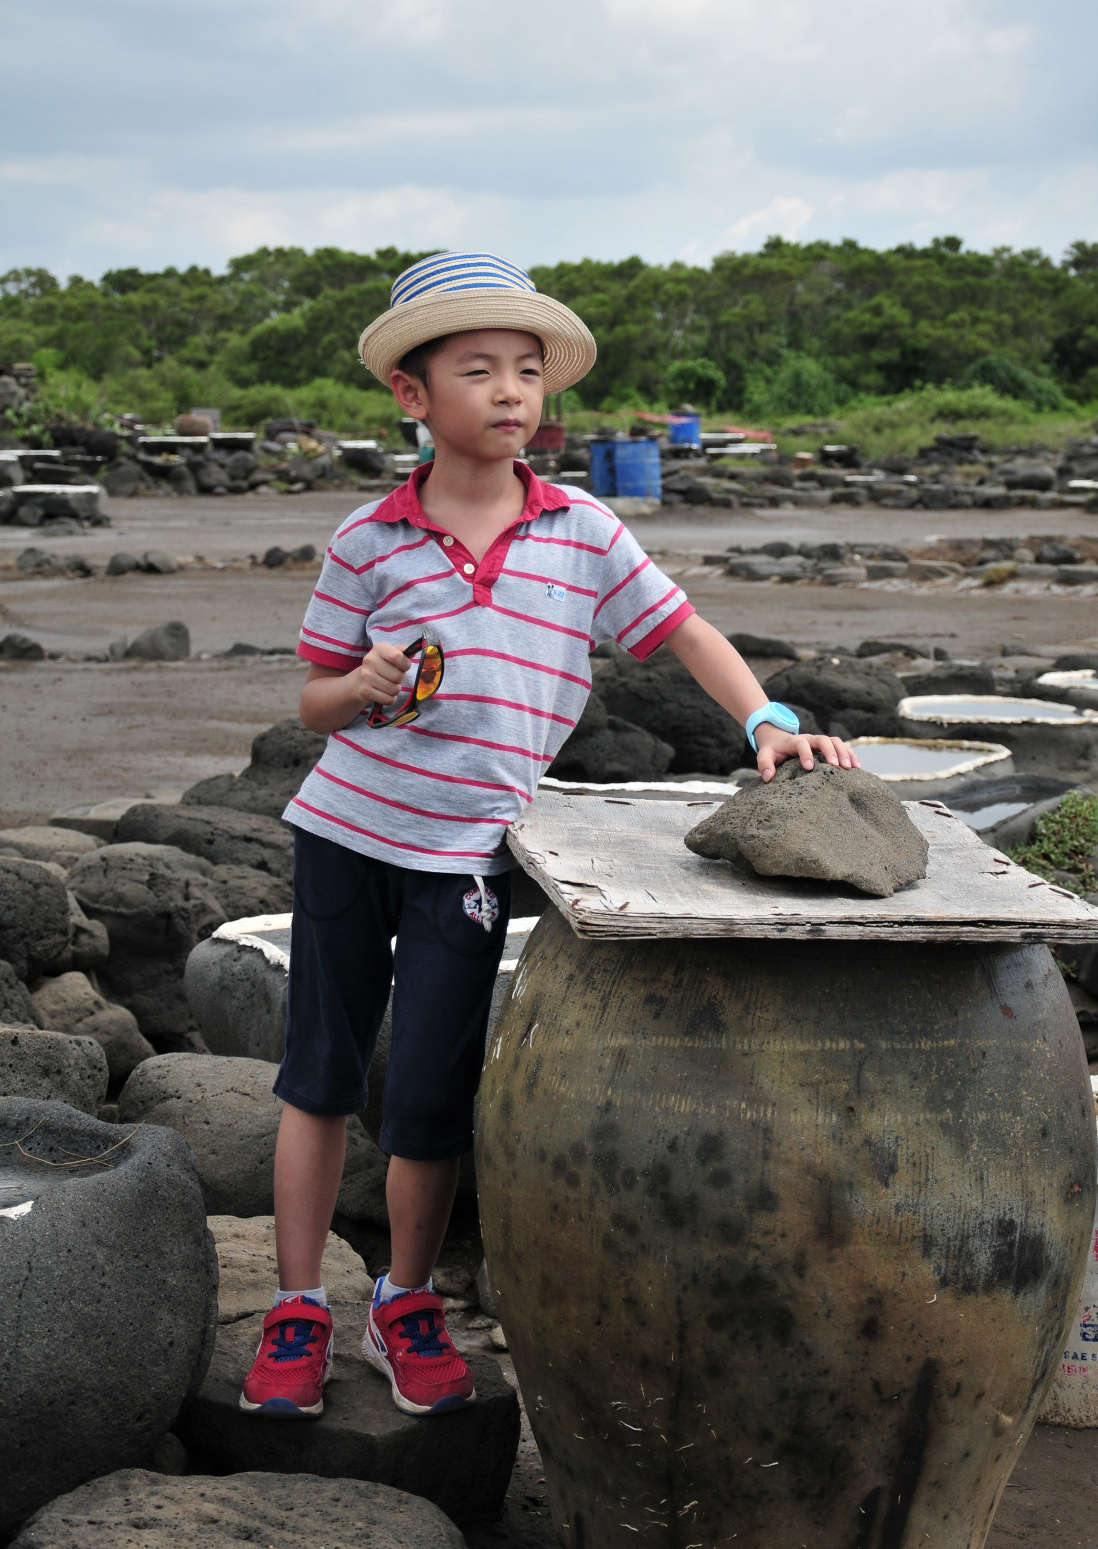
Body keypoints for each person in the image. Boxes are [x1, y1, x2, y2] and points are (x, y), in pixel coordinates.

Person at [239, 250, 859, 1418]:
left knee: (427, 1091)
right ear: (413, 396)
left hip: (470, 856)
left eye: (529, 370)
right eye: (479, 369)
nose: (512, 391)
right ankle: (295, 1305)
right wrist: (363, 680)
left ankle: (404, 1297)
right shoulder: (368, 537)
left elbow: (682, 630)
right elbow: (311, 702)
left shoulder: (579, 530)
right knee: (316, 1075)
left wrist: (768, 717)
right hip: (346, 834)